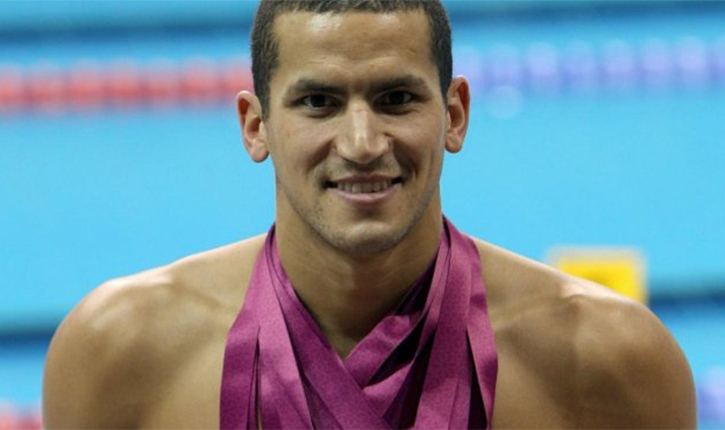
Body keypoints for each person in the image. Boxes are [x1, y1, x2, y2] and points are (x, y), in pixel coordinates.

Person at [43, 1, 697, 428]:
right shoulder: (118, 356)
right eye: (319, 103)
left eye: (395, 98)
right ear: (254, 125)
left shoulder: (611, 365)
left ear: (455, 114)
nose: (361, 143)